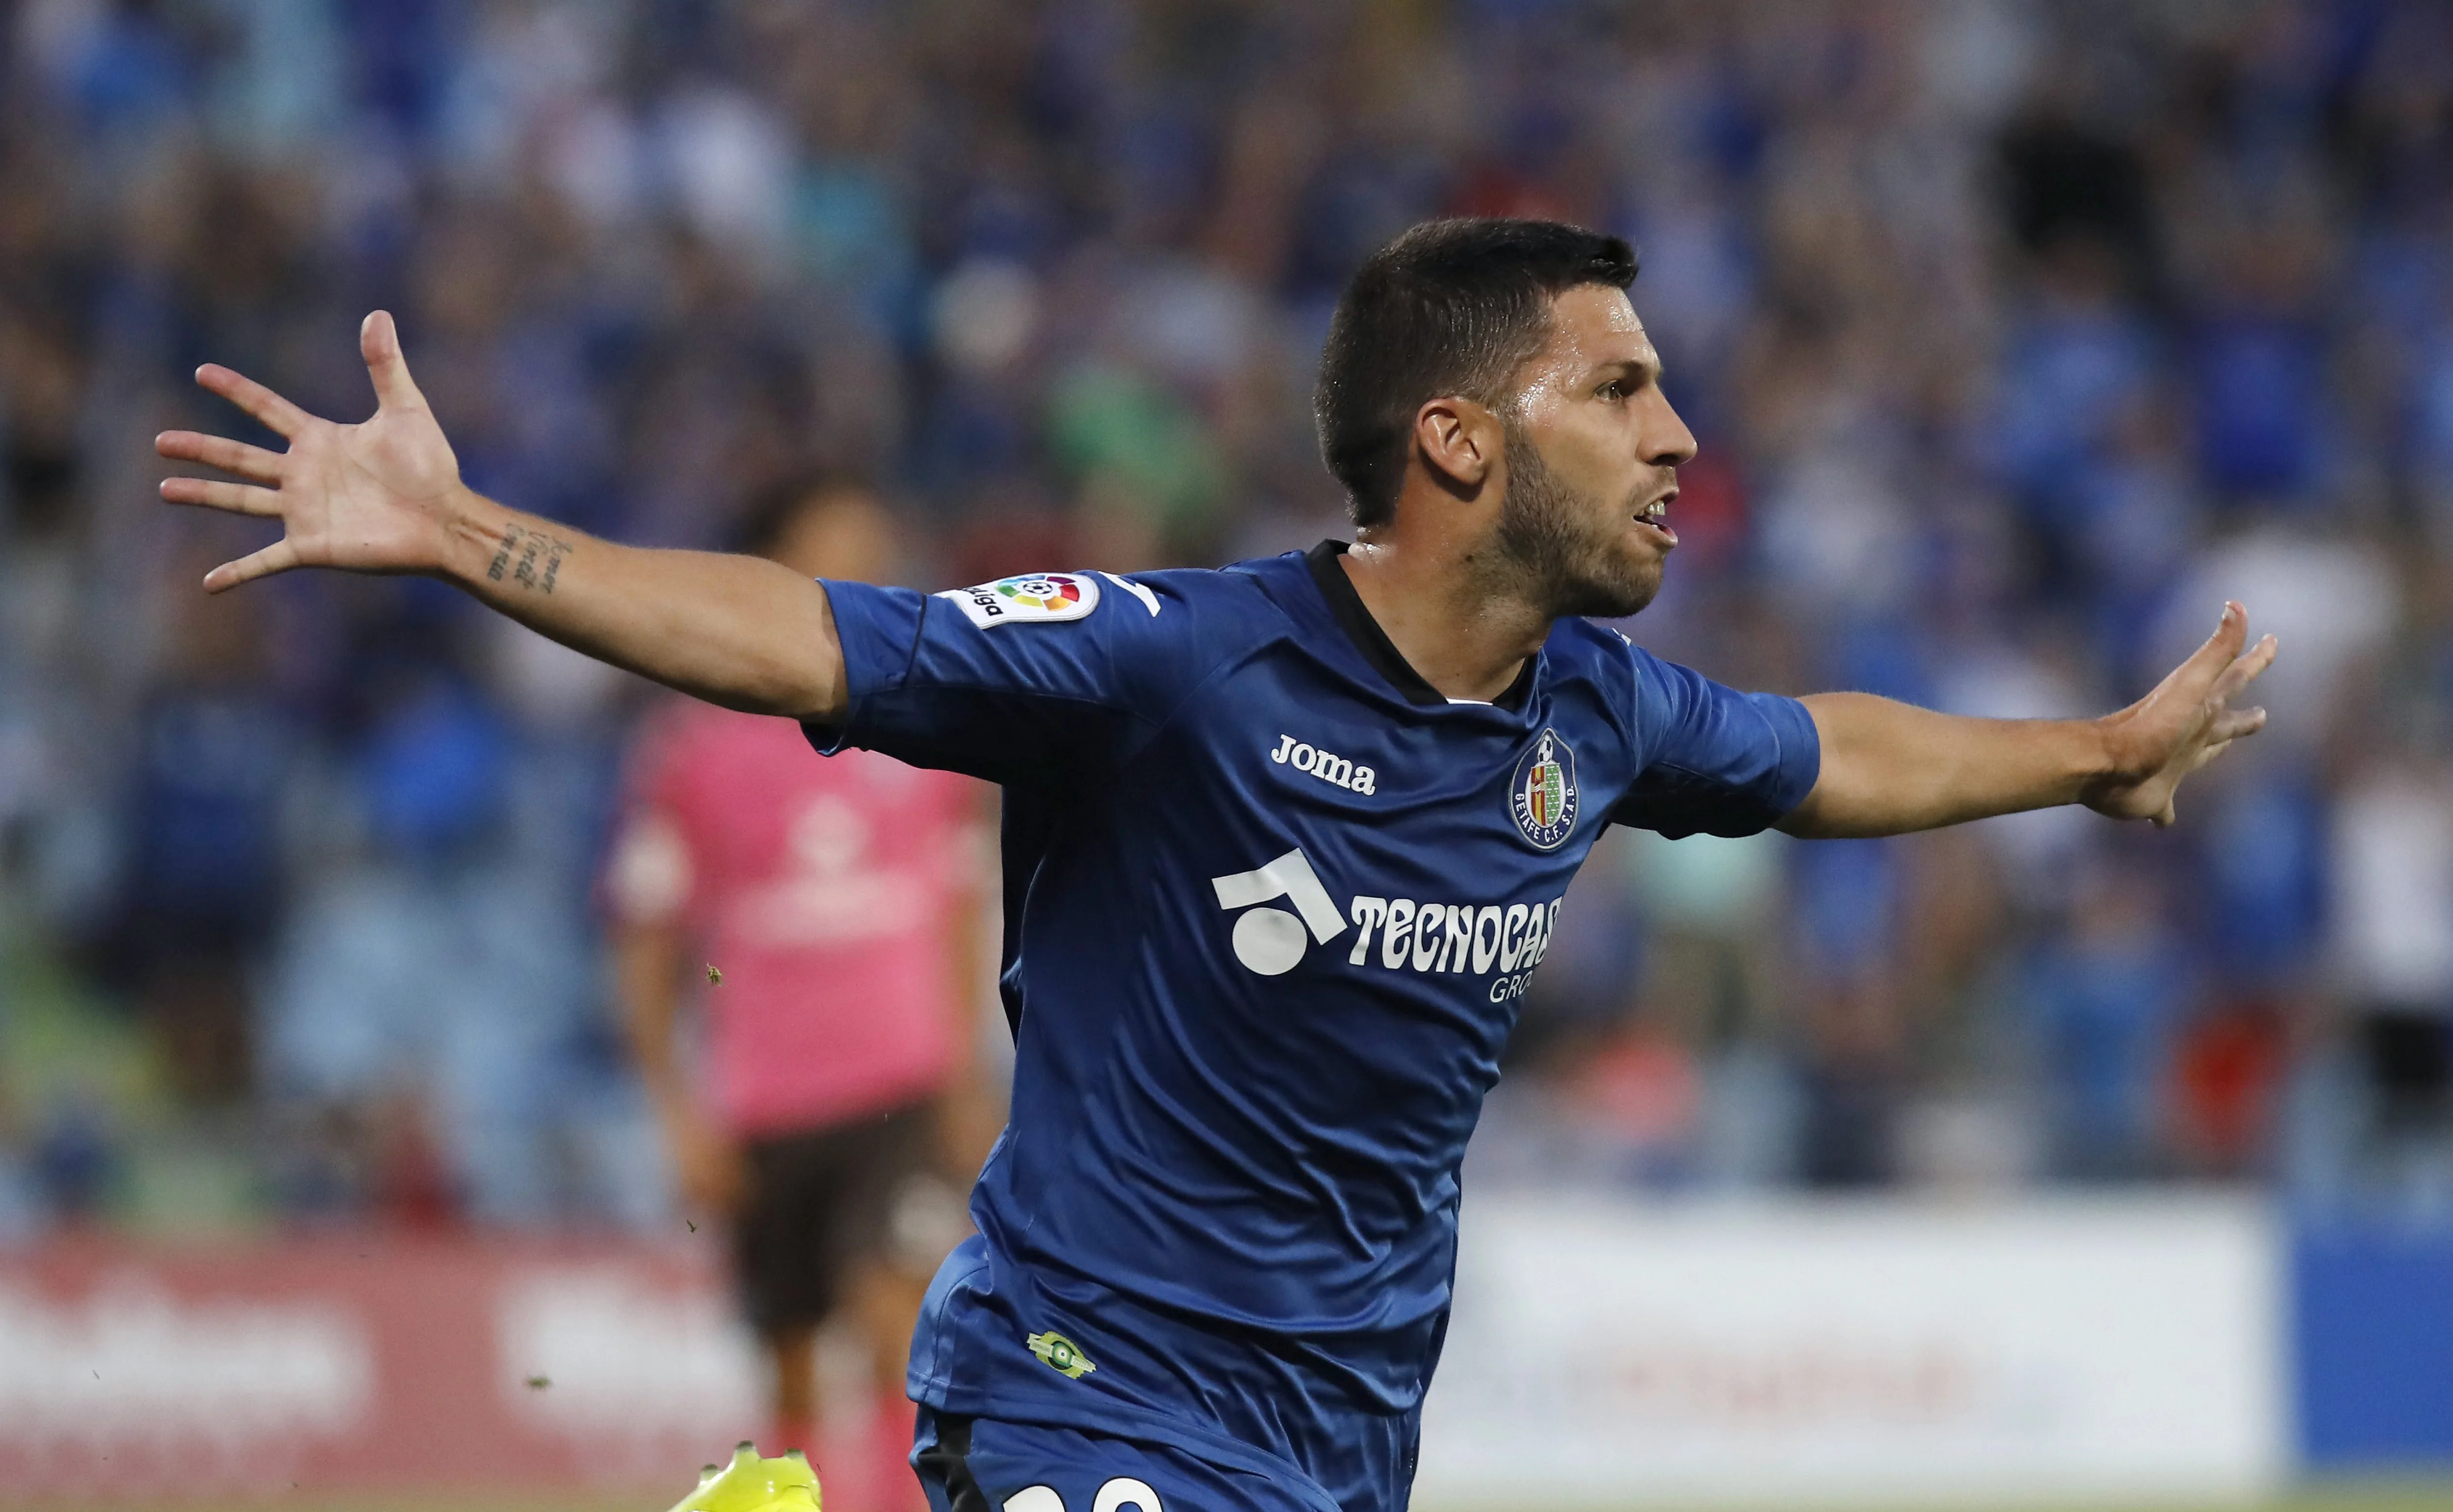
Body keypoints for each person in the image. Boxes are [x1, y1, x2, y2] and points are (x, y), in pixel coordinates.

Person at [153, 219, 2276, 1512]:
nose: (1676, 433)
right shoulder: (1174, 666)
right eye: (1618, 387)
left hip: (1342, 1432)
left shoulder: (1593, 719)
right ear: (1458, 439)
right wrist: (461, 532)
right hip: (1088, 1379)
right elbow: (797, 636)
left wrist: (2094, 754)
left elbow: (1839, 758)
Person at [608, 475, 990, 1512]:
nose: (865, 570)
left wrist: (964, 1072)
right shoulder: (694, 751)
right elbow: (648, 940)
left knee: (896, 1324)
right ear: (774, 570)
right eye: (837, 548)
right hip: (767, 1097)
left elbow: (962, 913)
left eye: (876, 545)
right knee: (786, 1360)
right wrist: (675, 1110)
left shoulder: (933, 728)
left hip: (899, 1085)